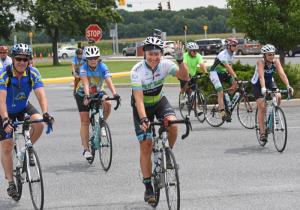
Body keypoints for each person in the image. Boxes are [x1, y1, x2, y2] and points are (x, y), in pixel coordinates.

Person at [130, 36, 189, 204]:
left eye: (157, 54)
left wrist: (180, 60)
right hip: (142, 106)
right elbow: (139, 100)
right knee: (146, 143)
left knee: (173, 124)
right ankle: (148, 186)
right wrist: (143, 119)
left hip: (159, 101)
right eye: (150, 54)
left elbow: (185, 77)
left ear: (161, 54)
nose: (154, 57)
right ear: (144, 53)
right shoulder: (136, 71)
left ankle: (168, 154)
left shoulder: (166, 65)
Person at [0, 43, 54, 200]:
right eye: (18, 59)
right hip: (4, 111)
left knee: (39, 123)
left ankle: (26, 149)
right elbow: (1, 101)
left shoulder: (33, 73)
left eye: (25, 59)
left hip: (23, 107)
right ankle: (10, 182)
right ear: (13, 59)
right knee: (7, 145)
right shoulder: (4, 75)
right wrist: (5, 120)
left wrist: (45, 113)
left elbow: (40, 94)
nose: (22, 62)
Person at [74, 45, 120, 161]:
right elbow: (85, 83)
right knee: (85, 121)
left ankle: (101, 123)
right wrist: (87, 95)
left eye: (95, 58)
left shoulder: (102, 66)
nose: (93, 60)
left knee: (108, 103)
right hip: (82, 94)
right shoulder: (84, 68)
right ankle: (86, 149)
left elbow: (109, 81)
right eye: (90, 58)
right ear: (86, 59)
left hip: (98, 91)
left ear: (98, 58)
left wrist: (115, 94)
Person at [251, 44, 294, 142]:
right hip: (258, 84)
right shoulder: (260, 62)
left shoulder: (276, 62)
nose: (272, 56)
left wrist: (288, 86)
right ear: (264, 56)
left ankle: (275, 112)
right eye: (269, 55)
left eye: (273, 54)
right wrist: (263, 88)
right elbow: (261, 76)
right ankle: (262, 132)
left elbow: (282, 74)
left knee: (278, 96)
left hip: (270, 82)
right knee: (262, 107)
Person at [209, 38, 239, 122]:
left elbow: (231, 65)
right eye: (233, 45)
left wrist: (234, 79)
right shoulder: (223, 54)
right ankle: (222, 113)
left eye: (236, 45)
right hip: (214, 73)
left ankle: (226, 101)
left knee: (235, 85)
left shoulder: (232, 54)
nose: (235, 47)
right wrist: (235, 76)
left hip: (223, 73)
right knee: (220, 91)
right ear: (228, 46)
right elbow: (227, 66)